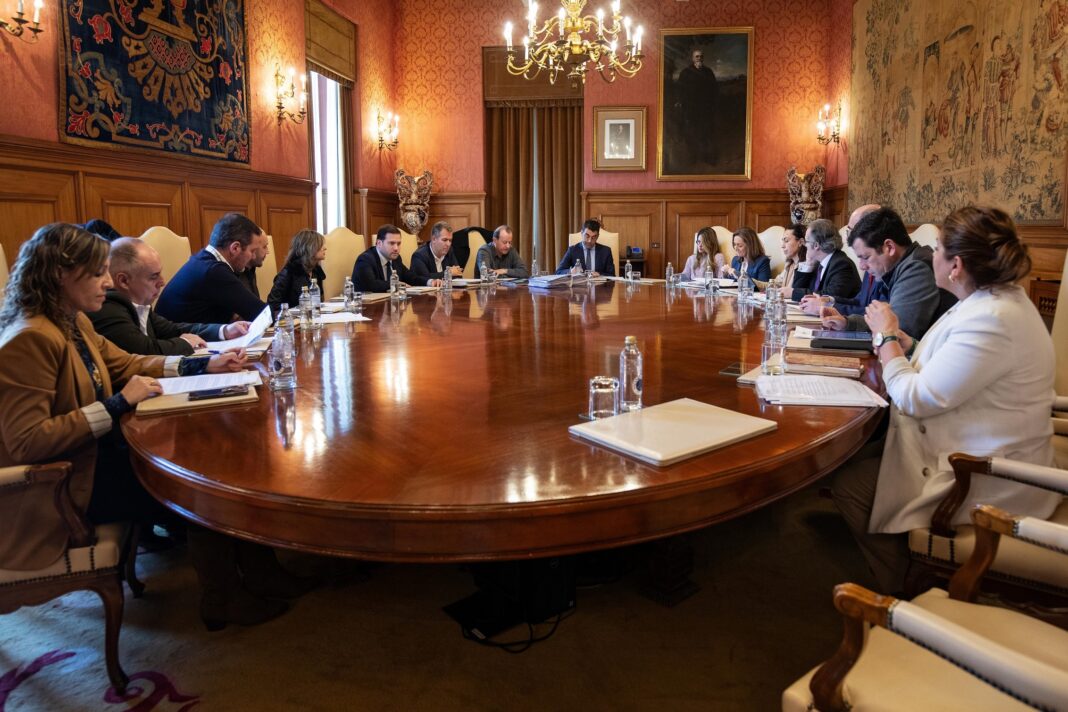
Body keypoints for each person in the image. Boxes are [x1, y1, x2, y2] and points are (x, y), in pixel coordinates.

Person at [0, 223, 302, 630]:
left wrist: (202, 364)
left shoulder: (72, 321)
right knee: (205, 482)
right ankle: (222, 599)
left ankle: (261, 572)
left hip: (99, 455)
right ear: (60, 275)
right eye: (97, 273)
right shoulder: (30, 338)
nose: (108, 282)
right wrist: (116, 404)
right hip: (66, 484)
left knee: (224, 455)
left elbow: (128, 363)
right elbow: (26, 441)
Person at [830, 206, 1061, 593]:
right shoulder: (990, 302)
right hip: (974, 439)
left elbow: (915, 399)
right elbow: (954, 363)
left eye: (936, 248)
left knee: (850, 486)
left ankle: (905, 589)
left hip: (984, 474)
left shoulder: (992, 318)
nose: (929, 254)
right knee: (856, 457)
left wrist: (887, 338)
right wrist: (910, 345)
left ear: (956, 266)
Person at [88, 237, 250, 356]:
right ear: (124, 281)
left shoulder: (138, 304)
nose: (162, 282)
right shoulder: (107, 307)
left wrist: (225, 331)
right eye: (153, 277)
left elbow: (173, 329)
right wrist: (185, 342)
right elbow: (144, 351)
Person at [818, 207, 946, 340]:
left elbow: (894, 334)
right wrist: (847, 323)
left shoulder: (916, 270)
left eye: (866, 257)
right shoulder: (898, 267)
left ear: (889, 247)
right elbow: (884, 324)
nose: (862, 266)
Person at [156, 213, 268, 324]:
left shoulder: (203, 261)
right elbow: (263, 314)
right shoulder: (214, 271)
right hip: (173, 334)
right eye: (252, 251)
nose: (253, 257)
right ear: (235, 248)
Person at [788, 219, 860, 301]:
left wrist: (794, 293)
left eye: (806, 241)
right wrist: (808, 264)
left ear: (816, 245)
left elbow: (829, 297)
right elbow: (797, 288)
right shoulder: (818, 263)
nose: (805, 245)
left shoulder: (842, 265)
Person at [352, 224, 437, 292]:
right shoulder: (365, 260)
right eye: (391, 243)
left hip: (390, 303)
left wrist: (430, 282)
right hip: (365, 306)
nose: (396, 248)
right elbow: (371, 285)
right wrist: (395, 284)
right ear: (379, 243)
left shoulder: (396, 258)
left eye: (398, 244)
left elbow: (411, 277)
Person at [267, 229, 327, 316]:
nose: (325, 248)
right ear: (309, 248)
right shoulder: (288, 272)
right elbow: (272, 305)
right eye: (320, 245)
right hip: (291, 320)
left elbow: (318, 301)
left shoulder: (316, 271)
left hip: (311, 317)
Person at [775, 224, 808, 292]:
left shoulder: (806, 267)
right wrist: (754, 282)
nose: (782, 246)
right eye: (783, 241)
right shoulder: (789, 263)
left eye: (786, 241)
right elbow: (775, 284)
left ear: (800, 242)